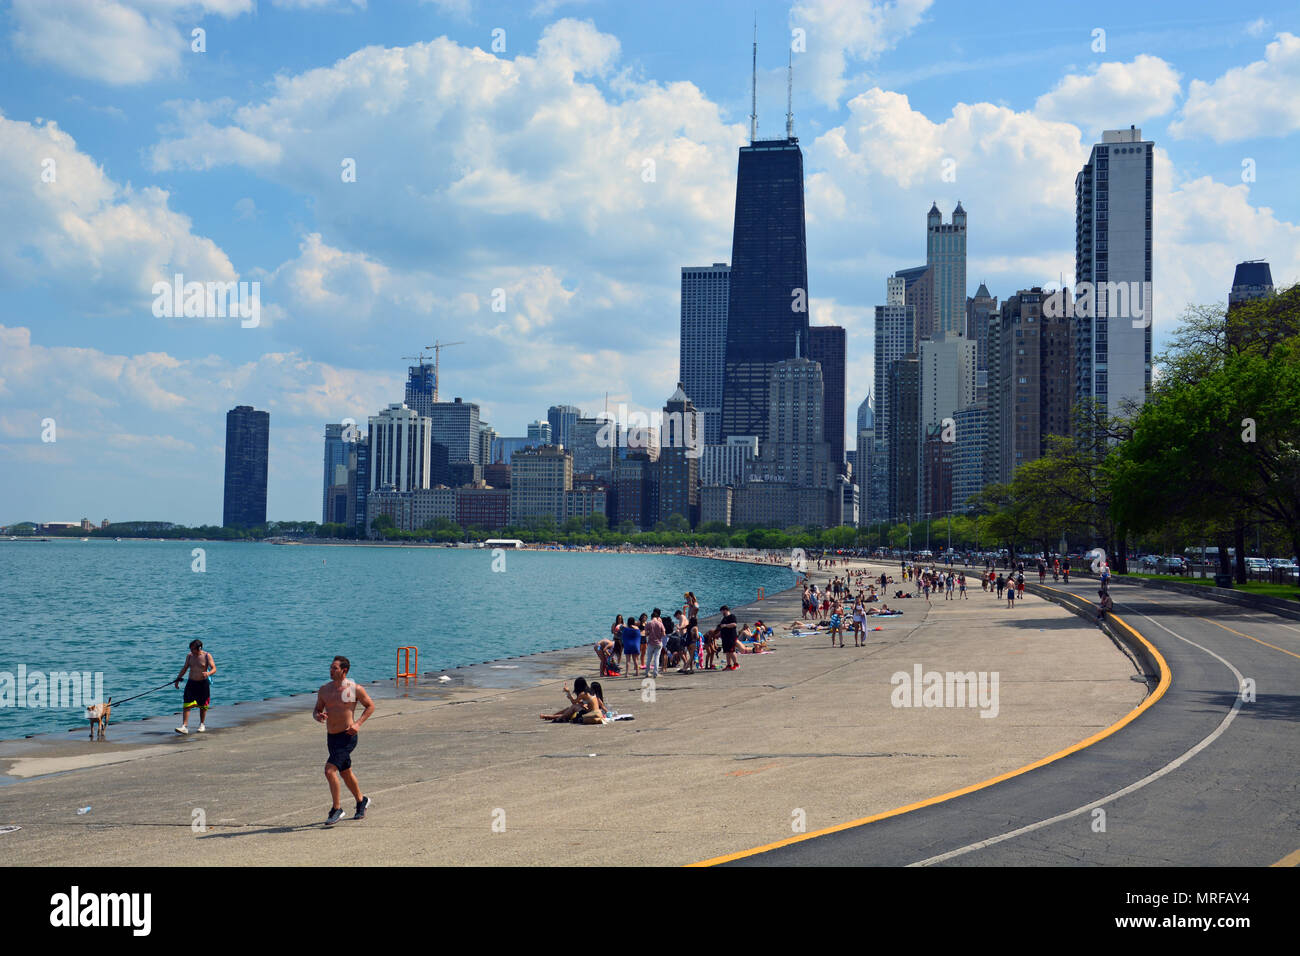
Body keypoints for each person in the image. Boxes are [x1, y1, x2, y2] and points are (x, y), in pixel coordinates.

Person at [313, 655, 375, 826]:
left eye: (334, 668)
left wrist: (358, 724)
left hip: (347, 736)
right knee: (345, 771)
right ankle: (361, 801)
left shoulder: (354, 689)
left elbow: (370, 706)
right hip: (331, 738)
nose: (331, 671)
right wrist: (318, 716)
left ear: (344, 671)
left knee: (329, 771)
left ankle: (336, 809)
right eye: (331, 667)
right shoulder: (324, 690)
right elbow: (317, 709)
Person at [173, 639, 216, 735]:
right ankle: (184, 726)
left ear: (199, 648)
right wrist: (178, 679)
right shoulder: (189, 656)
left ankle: (202, 724)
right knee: (187, 704)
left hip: (203, 683)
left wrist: (208, 673)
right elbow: (185, 668)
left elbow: (214, 668)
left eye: (193, 649)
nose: (191, 651)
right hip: (191, 683)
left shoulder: (206, 656)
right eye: (190, 649)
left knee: (203, 705)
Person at [644, 608, 666, 678]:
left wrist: (650, 633)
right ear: (657, 617)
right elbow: (664, 634)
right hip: (658, 643)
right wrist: (659, 635)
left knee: (649, 659)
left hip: (651, 643)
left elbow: (646, 634)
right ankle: (655, 673)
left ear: (651, 617)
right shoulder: (660, 623)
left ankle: (647, 672)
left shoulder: (648, 623)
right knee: (657, 658)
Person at [718, 605, 740, 671]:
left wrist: (725, 625)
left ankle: (736, 664)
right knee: (727, 651)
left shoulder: (732, 616)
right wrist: (718, 634)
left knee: (731, 651)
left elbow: (734, 624)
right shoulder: (723, 618)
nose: (722, 613)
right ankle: (728, 665)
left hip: (731, 637)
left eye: (722, 611)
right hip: (725, 638)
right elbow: (721, 628)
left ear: (725, 610)